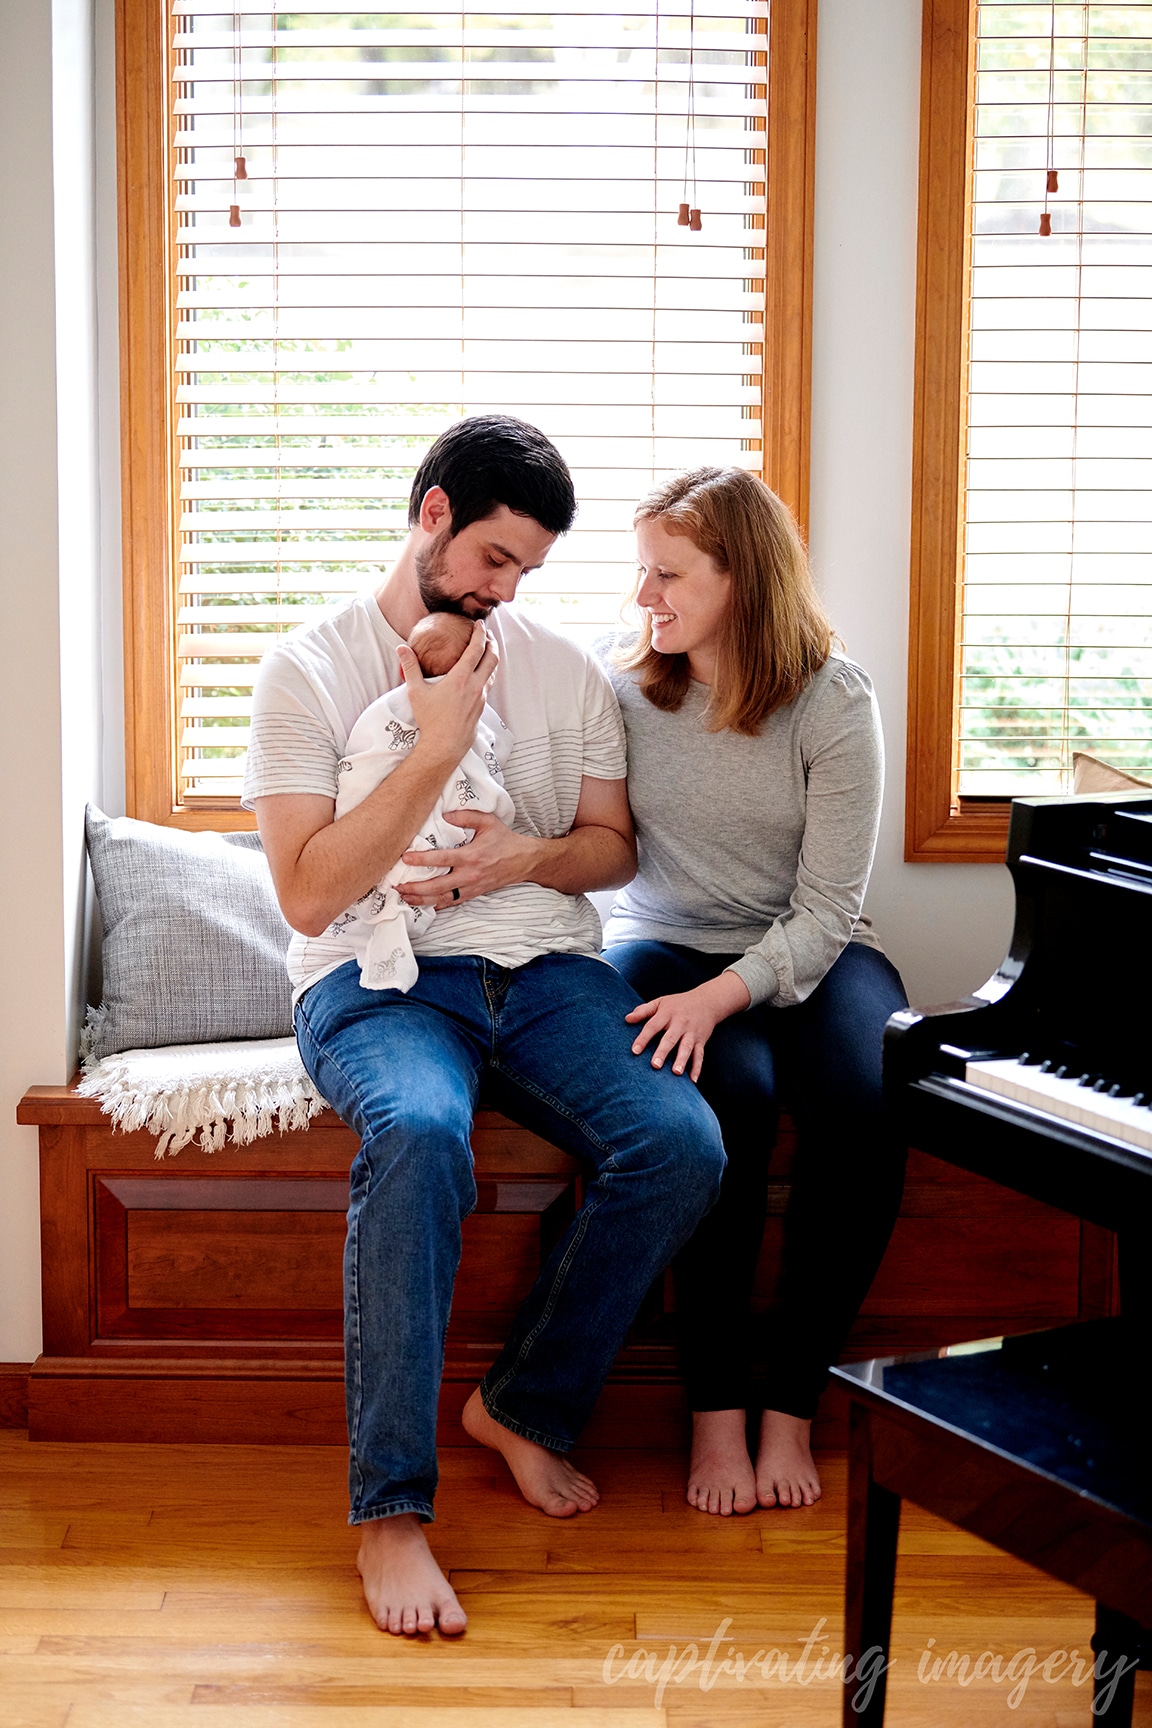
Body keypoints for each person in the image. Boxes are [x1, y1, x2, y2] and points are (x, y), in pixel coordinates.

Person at [244, 416, 726, 1637]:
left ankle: (523, 1403)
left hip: (547, 970)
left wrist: (527, 856)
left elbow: (611, 850)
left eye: (526, 573)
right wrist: (438, 745)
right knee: (417, 1135)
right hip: (377, 977)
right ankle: (389, 1516)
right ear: (433, 515)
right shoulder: (305, 670)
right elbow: (307, 892)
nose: (504, 593)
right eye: (494, 559)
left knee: (682, 1141)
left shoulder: (566, 670)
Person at [598, 465, 908, 1519]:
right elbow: (580, 827)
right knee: (723, 1105)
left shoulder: (833, 698)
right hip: (666, 946)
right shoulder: (629, 691)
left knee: (866, 1107)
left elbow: (828, 909)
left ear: (744, 578)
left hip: (814, 954)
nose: (646, 596)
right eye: (643, 572)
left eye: (668, 573)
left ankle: (793, 1402)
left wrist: (732, 992)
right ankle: (715, 1411)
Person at [330, 610, 516, 994]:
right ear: (481, 674)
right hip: (418, 855)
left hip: (388, 861)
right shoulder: (458, 712)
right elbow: (493, 757)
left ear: (405, 669)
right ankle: (396, 914)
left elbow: (361, 760)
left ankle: (389, 913)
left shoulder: (381, 712)